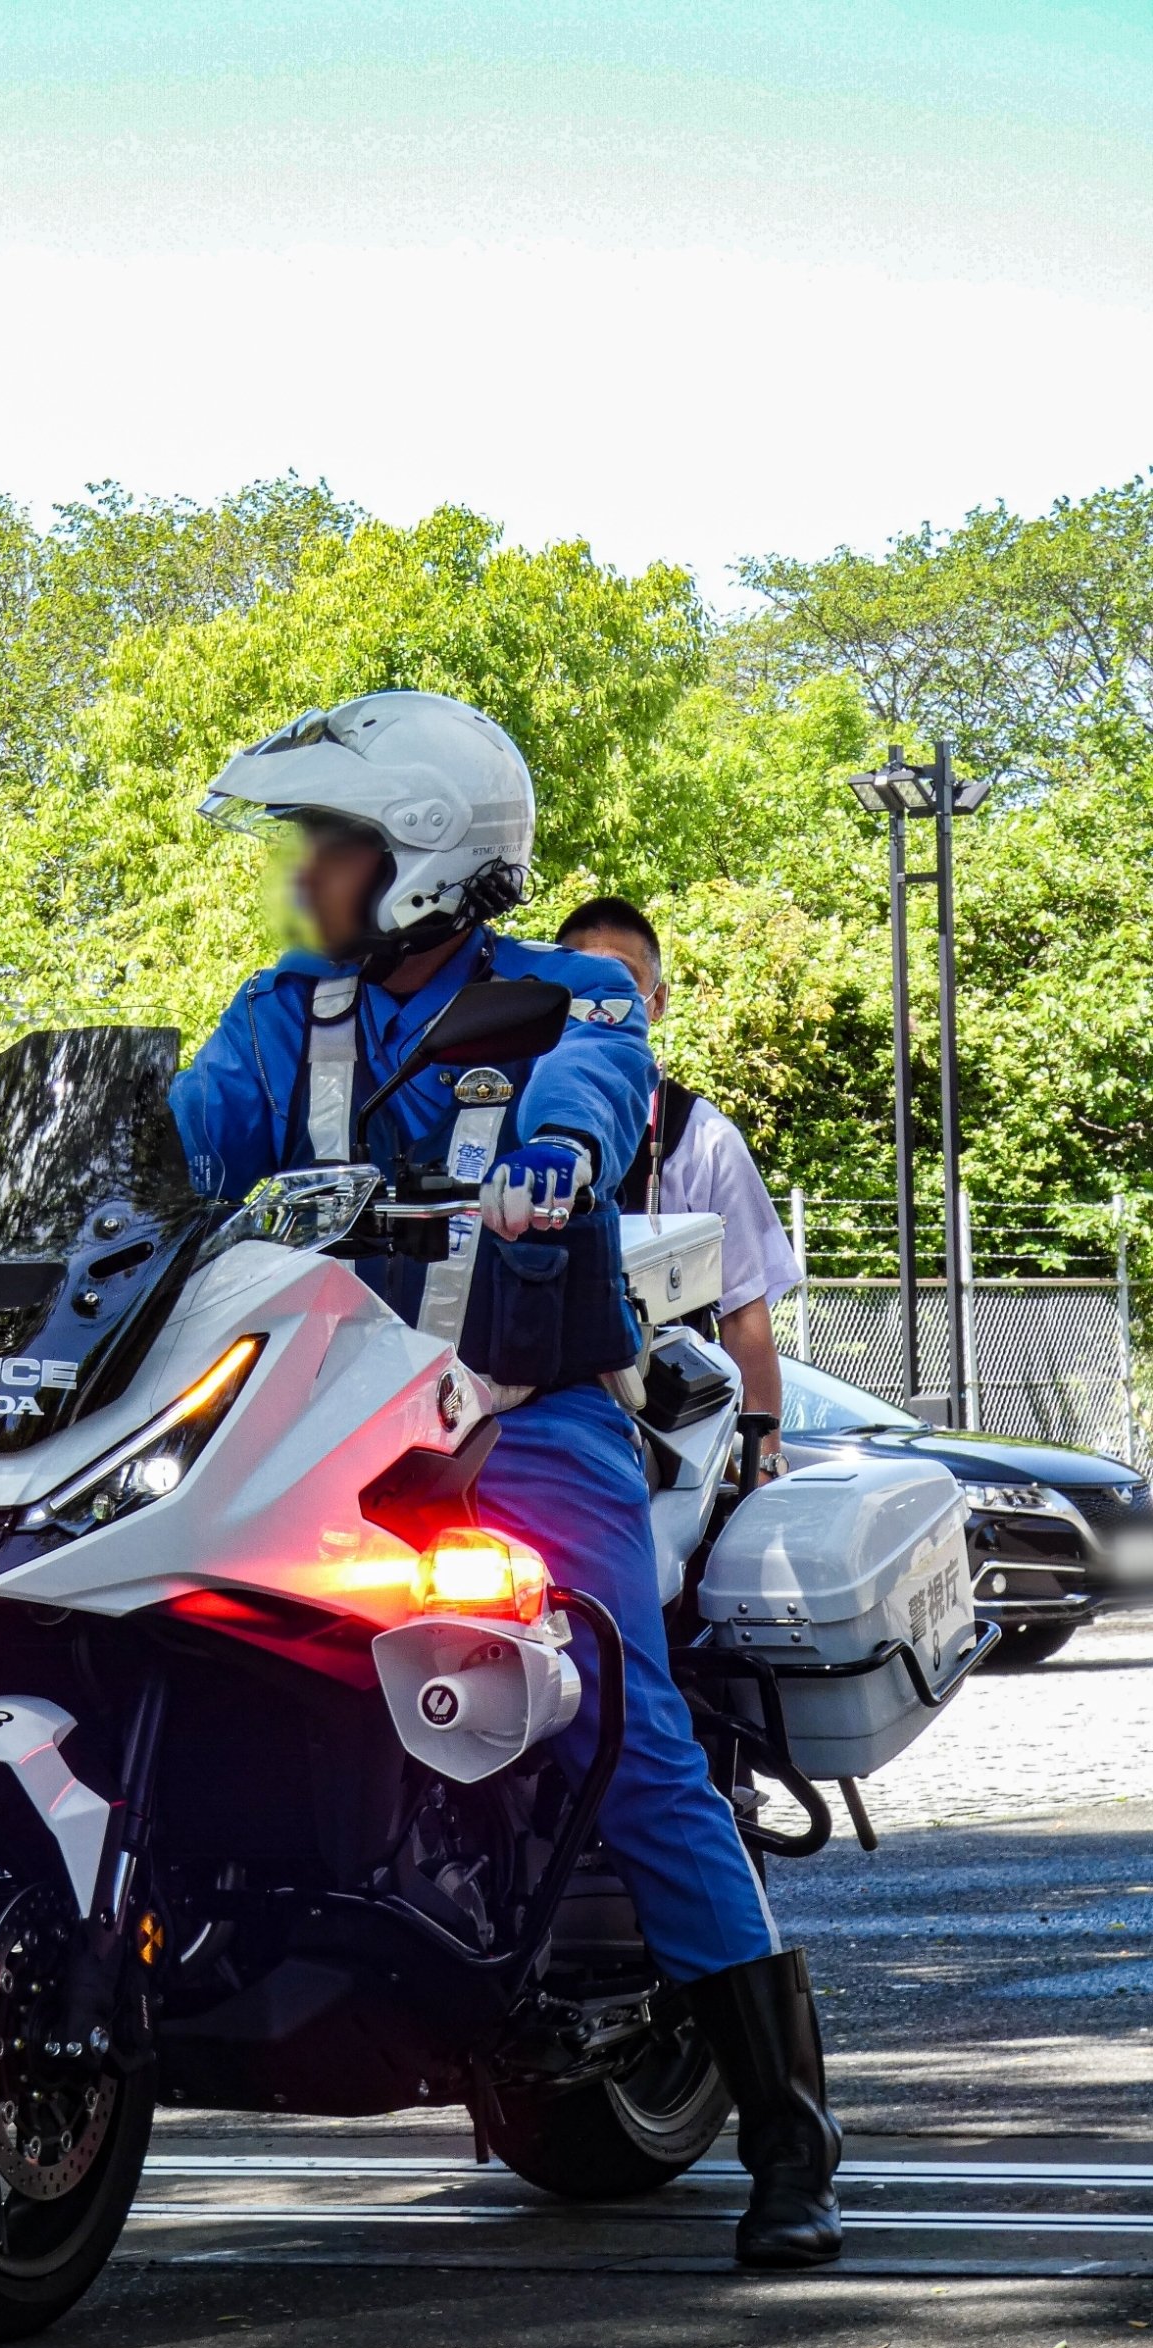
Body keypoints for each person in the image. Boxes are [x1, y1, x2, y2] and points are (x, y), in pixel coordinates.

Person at [170, 690, 840, 2268]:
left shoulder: (569, 1000)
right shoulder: (284, 1014)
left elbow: (593, 1091)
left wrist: (559, 1161)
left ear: (416, 858)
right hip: (313, 1409)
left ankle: (790, 2131)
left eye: (325, 846)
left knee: (618, 1712)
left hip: (523, 1406)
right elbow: (191, 1137)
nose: (303, 876)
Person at [556, 896, 799, 1483]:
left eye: (619, 985)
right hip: (537, 1416)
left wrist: (763, 1461)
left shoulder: (703, 1137)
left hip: (669, 1442)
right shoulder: (498, 1118)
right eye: (577, 986)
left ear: (656, 1003)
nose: (596, 1008)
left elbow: (744, 1312)